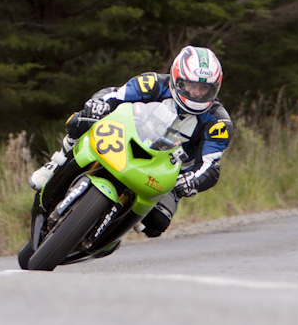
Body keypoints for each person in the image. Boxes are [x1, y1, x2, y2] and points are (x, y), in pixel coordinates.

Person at [29, 45, 233, 238]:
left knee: (157, 224)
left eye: (205, 88)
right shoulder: (153, 83)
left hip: (165, 170)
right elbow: (114, 94)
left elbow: (210, 165)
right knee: (80, 120)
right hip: (125, 139)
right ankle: (56, 164)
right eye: (191, 85)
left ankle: (117, 225)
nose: (197, 93)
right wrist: (98, 104)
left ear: (216, 88)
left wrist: (191, 181)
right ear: (177, 78)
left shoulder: (219, 122)